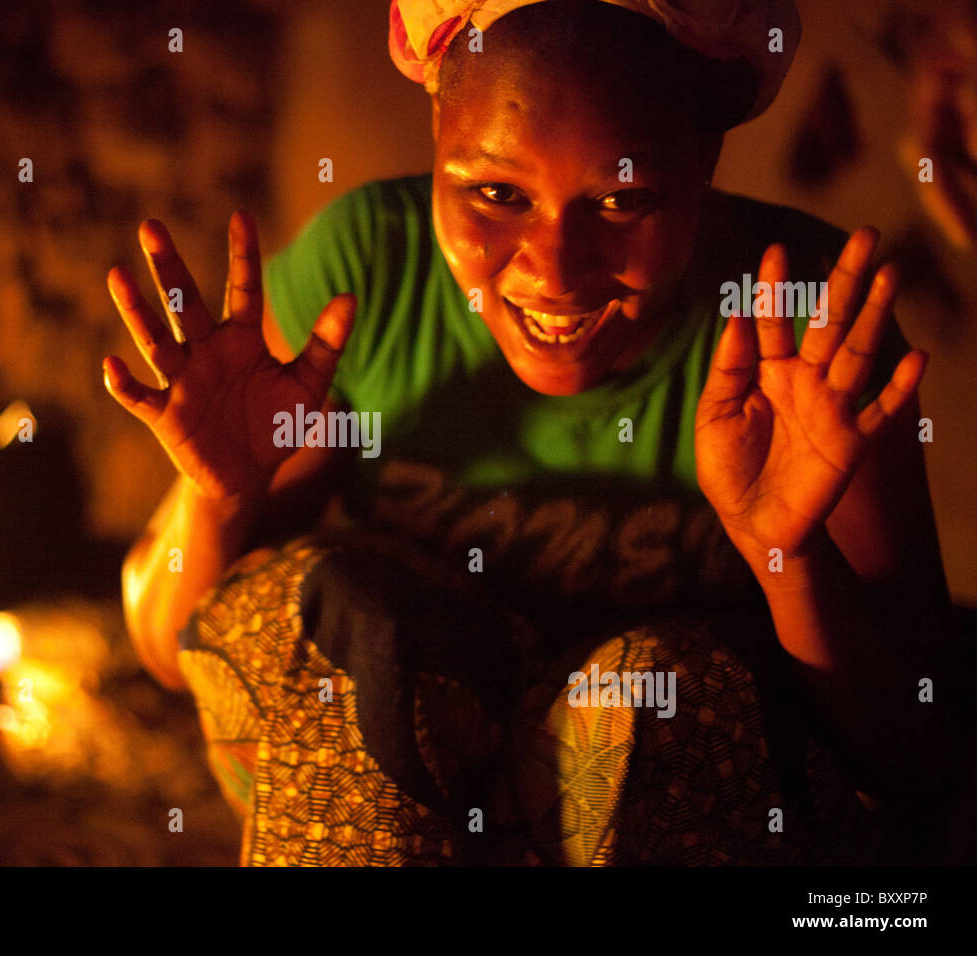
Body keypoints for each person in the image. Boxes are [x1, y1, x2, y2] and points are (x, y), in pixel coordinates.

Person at [104, 0, 969, 865]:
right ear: (438, 128)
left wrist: (789, 555)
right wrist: (218, 500)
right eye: (496, 194)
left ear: (704, 160)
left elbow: (919, 745)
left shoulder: (800, 320)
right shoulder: (366, 271)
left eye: (623, 199)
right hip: (384, 817)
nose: (554, 272)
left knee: (664, 689)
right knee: (346, 618)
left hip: (653, 817)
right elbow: (167, 646)